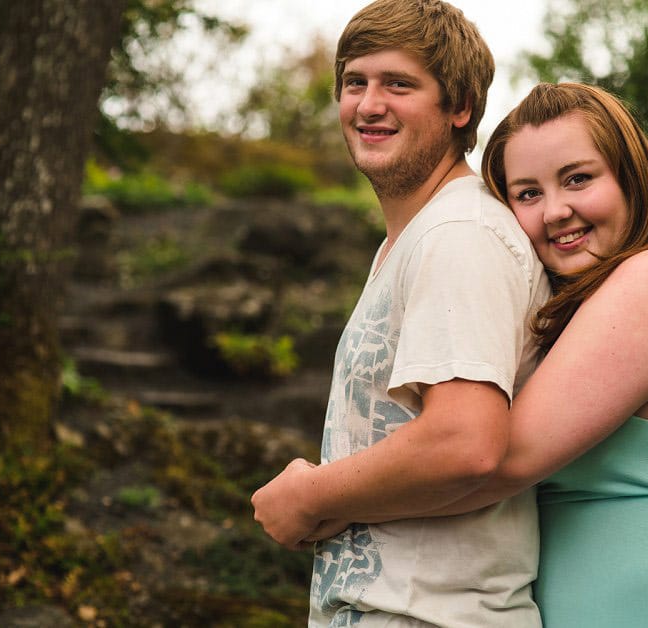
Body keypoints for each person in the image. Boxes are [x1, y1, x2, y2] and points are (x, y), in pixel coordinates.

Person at [303, 82, 648, 627]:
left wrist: (316, 498)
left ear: (631, 177)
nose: (555, 211)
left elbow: (493, 463)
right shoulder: (582, 307)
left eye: (578, 179)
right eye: (527, 194)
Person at [251, 1, 550, 625]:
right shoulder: (414, 238)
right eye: (355, 82)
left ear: (459, 107)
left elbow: (466, 441)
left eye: (399, 84)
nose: (368, 104)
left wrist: (309, 494)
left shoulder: (460, 233)